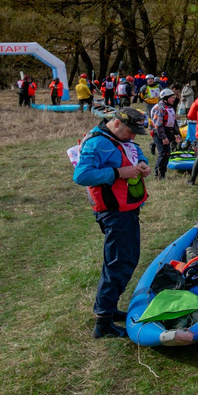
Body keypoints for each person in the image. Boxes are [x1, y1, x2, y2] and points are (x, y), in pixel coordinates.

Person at [72, 107, 151, 338]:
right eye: (131, 131)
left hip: (126, 209)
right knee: (119, 263)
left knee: (124, 259)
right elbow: (81, 176)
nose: (133, 136)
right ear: (117, 124)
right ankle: (103, 323)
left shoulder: (120, 138)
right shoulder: (96, 143)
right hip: (114, 213)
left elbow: (134, 151)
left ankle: (109, 307)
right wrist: (118, 173)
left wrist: (143, 163)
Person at [149, 88, 181, 180]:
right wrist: (163, 138)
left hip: (167, 132)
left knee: (167, 154)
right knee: (163, 153)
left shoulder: (170, 107)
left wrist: (177, 133)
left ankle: (162, 174)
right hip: (159, 133)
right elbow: (158, 125)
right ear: (165, 98)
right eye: (172, 97)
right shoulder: (159, 108)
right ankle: (158, 174)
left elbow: (173, 122)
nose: (174, 99)